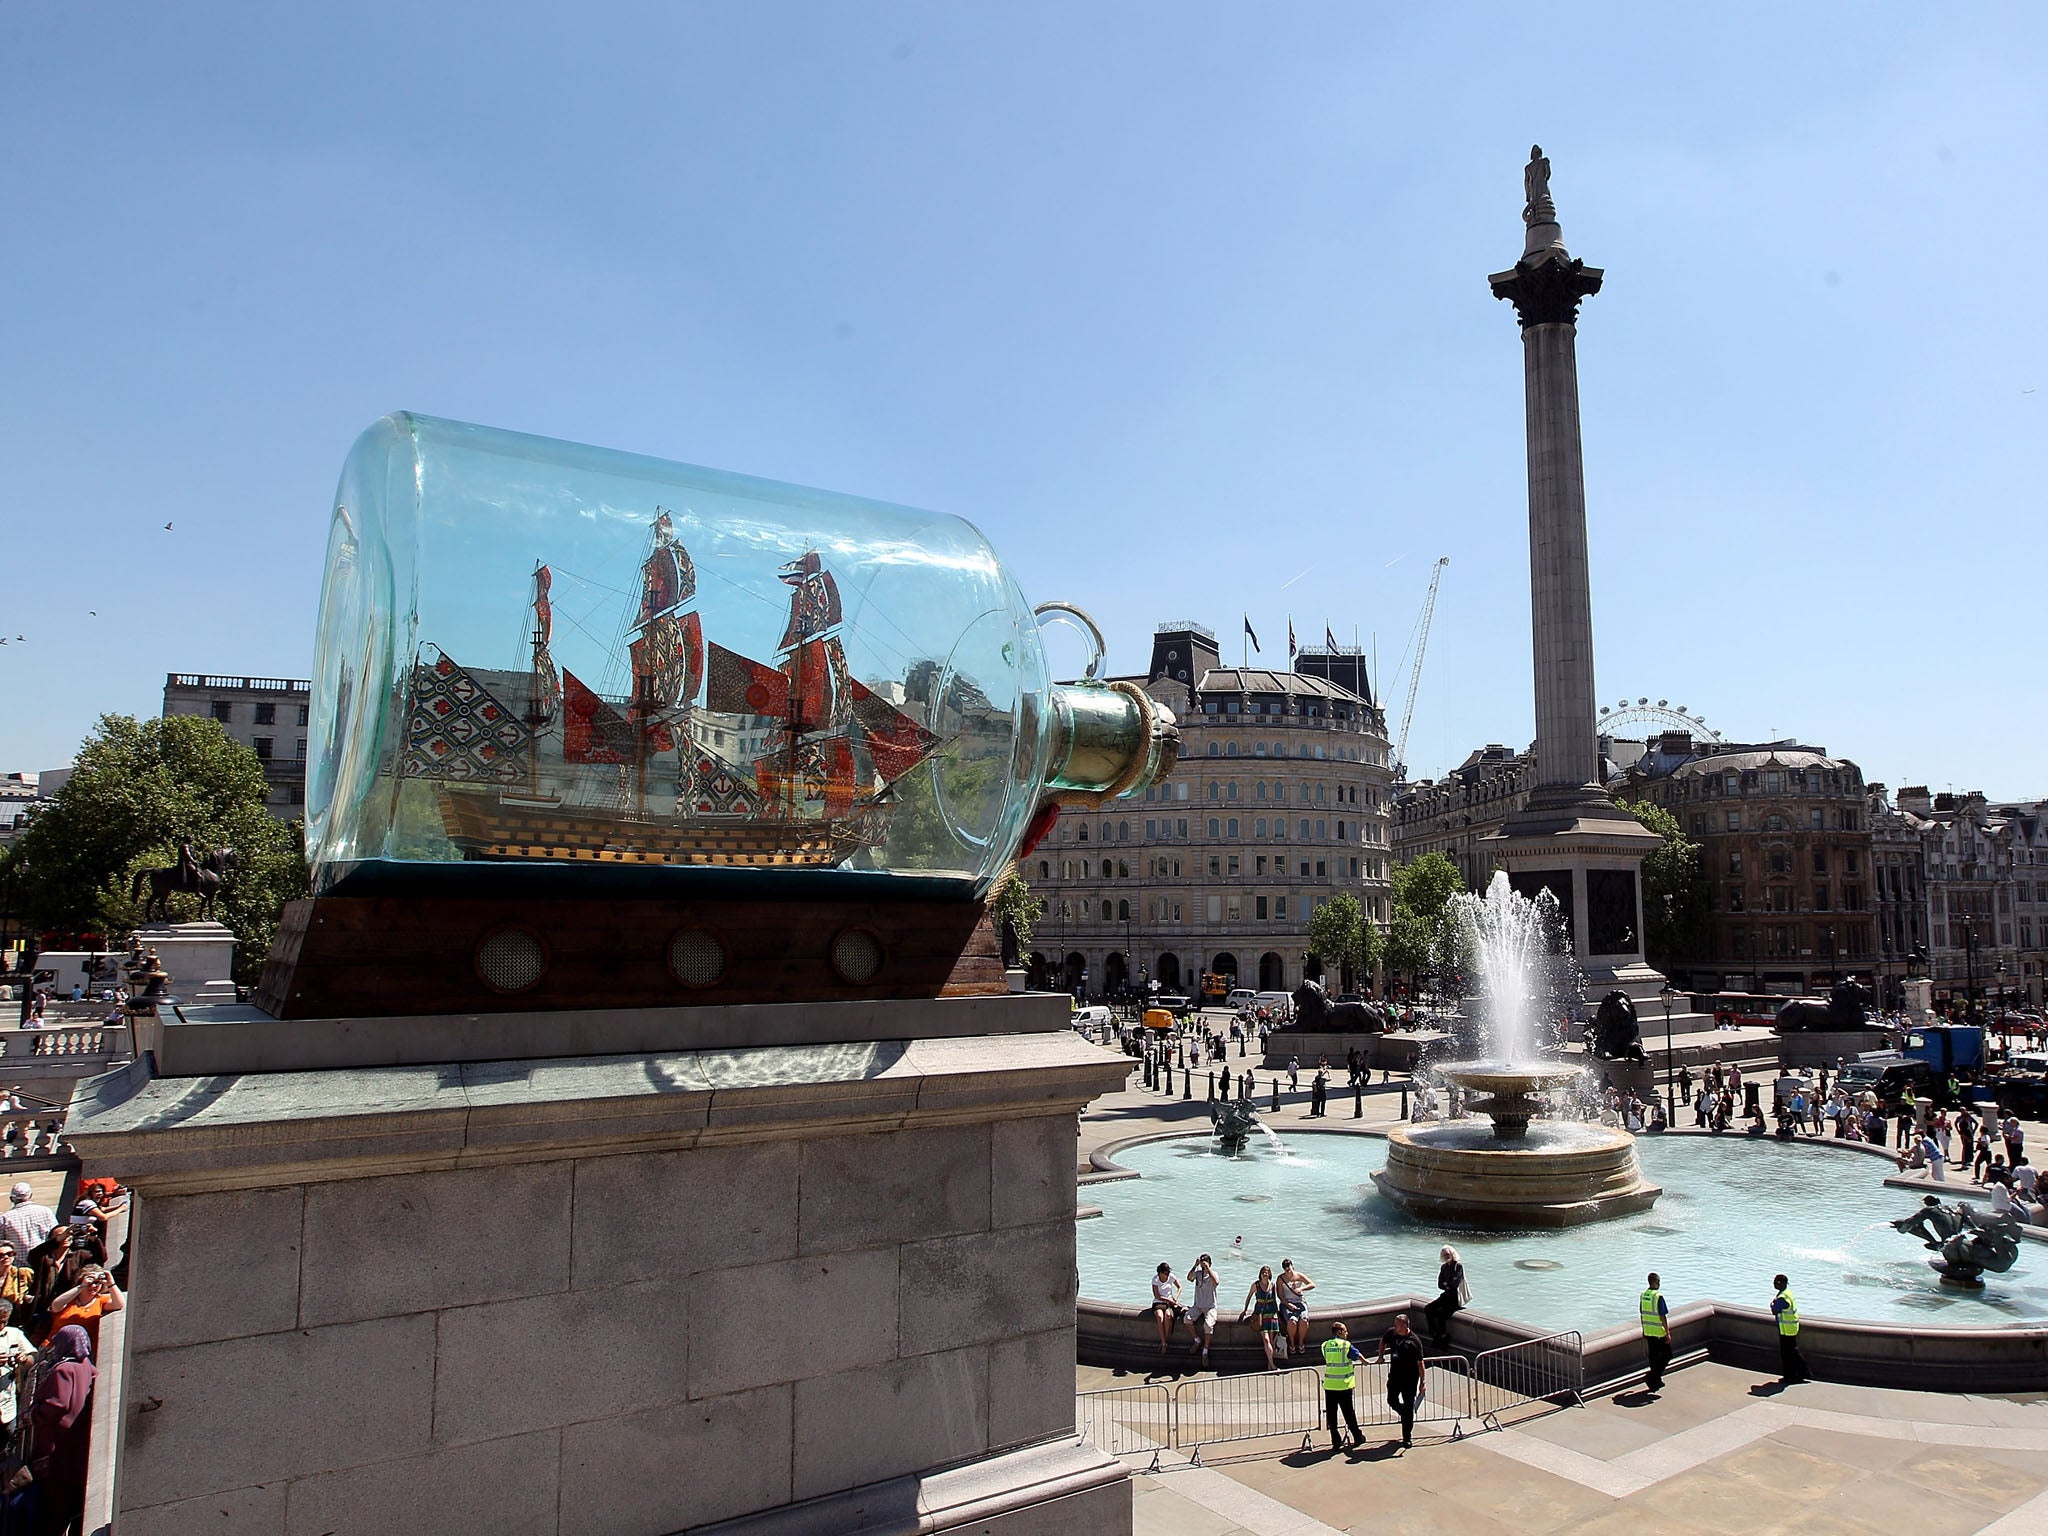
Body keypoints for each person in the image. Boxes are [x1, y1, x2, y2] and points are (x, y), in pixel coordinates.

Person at [30, 1324, 95, 1536]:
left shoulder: (63, 1370)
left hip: (56, 1441)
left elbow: (58, 1403)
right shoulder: (85, 1364)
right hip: (75, 1441)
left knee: (55, 1497)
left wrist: (33, 1414)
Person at [1376, 1312, 1427, 1448]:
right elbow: (1383, 1341)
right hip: (1394, 1376)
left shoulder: (1414, 1341)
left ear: (1404, 1325)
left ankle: (1407, 1437)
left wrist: (1422, 1382)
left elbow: (1420, 1363)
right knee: (1391, 1400)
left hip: (1410, 1379)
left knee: (1409, 1404)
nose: (1395, 1327)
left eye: (1397, 1325)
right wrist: (1381, 1356)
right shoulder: (1391, 1333)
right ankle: (1404, 1413)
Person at [42, 1264, 121, 1351]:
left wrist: (110, 1281)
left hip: (81, 1351)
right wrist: (83, 1285)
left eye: (97, 1283)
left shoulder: (101, 1300)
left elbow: (119, 1304)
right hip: (54, 1348)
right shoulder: (69, 1299)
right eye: (90, 1283)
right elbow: (56, 1305)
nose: (93, 1286)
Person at [1319, 1321, 1365, 1452]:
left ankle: (1335, 1442)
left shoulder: (1325, 1345)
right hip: (1344, 1385)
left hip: (1330, 1385)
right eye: (1345, 1331)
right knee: (1349, 1414)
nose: (1347, 1333)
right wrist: (1366, 1362)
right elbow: (1357, 1355)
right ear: (1339, 1332)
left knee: (1332, 1415)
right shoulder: (1346, 1345)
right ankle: (1357, 1436)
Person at [1240, 1265, 1283, 1370]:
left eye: (1267, 1272)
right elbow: (1249, 1296)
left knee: (1271, 1341)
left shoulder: (1272, 1285)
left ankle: (1270, 1365)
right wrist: (1245, 1310)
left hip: (1272, 1315)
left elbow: (1274, 1300)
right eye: (1263, 1272)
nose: (1265, 1274)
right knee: (1266, 1340)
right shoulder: (1256, 1285)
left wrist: (1277, 1314)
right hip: (1260, 1315)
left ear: (1270, 1274)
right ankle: (1272, 1365)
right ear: (1260, 1273)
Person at [1424, 1245, 1466, 1349]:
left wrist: (1446, 1284)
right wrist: (1447, 1284)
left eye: (1448, 1254)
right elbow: (1439, 1285)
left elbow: (1455, 1283)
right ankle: (1434, 1334)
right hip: (1446, 1296)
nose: (1446, 1256)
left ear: (1452, 1254)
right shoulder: (1444, 1267)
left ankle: (1443, 1337)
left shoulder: (1458, 1266)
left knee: (1441, 1314)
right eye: (1444, 1255)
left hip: (1455, 1298)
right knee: (1428, 1309)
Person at [0, 1183, 54, 1263]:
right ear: (31, 1196)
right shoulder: (46, 1212)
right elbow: (56, 1235)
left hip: (19, 1267)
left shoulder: (4, 1219)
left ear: (11, 1199)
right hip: (44, 1263)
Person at [1182, 1254, 1220, 1367]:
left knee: (1208, 1325)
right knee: (1187, 1319)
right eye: (1202, 1262)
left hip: (1210, 1306)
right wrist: (1195, 1265)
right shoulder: (1198, 1274)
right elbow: (1189, 1278)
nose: (1204, 1264)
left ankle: (1205, 1350)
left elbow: (1216, 1282)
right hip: (1198, 1305)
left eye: (1206, 1262)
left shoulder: (1214, 1274)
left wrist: (1208, 1269)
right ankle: (1197, 1340)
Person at [1771, 1273, 1808, 1384]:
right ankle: (1802, 1373)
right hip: (1791, 1327)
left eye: (1775, 1282)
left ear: (1780, 1283)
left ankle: (1790, 1376)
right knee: (1793, 1352)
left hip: (1787, 1330)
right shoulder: (1788, 1293)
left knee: (1787, 1354)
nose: (1774, 1285)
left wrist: (1772, 1304)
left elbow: (1774, 1310)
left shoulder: (1783, 1297)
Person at [1640, 1271, 1671, 1392]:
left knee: (1653, 1357)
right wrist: (1667, 1332)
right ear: (1656, 1282)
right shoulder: (1658, 1297)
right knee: (1667, 1354)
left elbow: (1642, 1314)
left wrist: (1644, 1329)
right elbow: (1663, 1316)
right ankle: (1652, 1377)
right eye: (1659, 1282)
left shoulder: (1643, 1295)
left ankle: (1655, 1381)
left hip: (1648, 1331)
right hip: (1659, 1332)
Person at [1277, 1259, 1316, 1357]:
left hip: (1300, 1302)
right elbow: (1280, 1294)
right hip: (1287, 1303)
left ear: (1292, 1266)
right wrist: (1287, 1304)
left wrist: (1301, 1289)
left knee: (1303, 1321)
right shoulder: (1281, 1279)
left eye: (1289, 1268)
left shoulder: (1299, 1275)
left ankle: (1301, 1342)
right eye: (1285, 1269)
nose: (1288, 1271)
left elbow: (1312, 1284)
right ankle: (1292, 1343)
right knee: (1292, 1321)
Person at [1149, 1263, 1181, 1358]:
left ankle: (1164, 1341)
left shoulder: (1171, 1277)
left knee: (1168, 1316)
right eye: (1165, 1273)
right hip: (1159, 1302)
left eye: (1168, 1273)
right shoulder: (1155, 1279)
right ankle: (1163, 1343)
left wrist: (1176, 1297)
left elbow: (1180, 1287)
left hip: (1169, 1303)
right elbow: (1157, 1296)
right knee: (1159, 1316)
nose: (1167, 1275)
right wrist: (1168, 1300)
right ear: (1160, 1273)